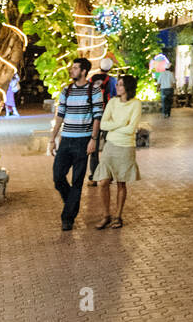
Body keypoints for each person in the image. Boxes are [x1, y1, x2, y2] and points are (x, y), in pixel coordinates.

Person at [48, 57, 104, 232]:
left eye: (75, 68)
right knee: (58, 177)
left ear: (84, 71)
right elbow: (60, 116)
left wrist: (93, 140)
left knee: (77, 181)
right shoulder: (67, 90)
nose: (72, 71)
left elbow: (97, 117)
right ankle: (71, 204)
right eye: (72, 68)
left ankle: (68, 218)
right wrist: (52, 138)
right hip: (66, 140)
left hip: (83, 141)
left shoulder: (94, 91)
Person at [95, 74, 142, 229]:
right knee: (103, 182)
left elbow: (131, 129)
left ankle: (118, 216)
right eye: (117, 84)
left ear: (127, 87)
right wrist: (121, 123)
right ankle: (105, 215)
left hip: (126, 146)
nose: (117, 87)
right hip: (110, 145)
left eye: (120, 84)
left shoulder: (135, 104)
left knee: (121, 183)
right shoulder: (113, 102)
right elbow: (103, 124)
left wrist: (115, 125)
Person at [87, 56, 117, 186]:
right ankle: (107, 175)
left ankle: (94, 176)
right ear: (110, 68)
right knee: (108, 146)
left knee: (93, 146)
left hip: (94, 116)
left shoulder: (91, 79)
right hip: (106, 116)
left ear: (100, 67)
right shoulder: (112, 80)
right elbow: (115, 98)